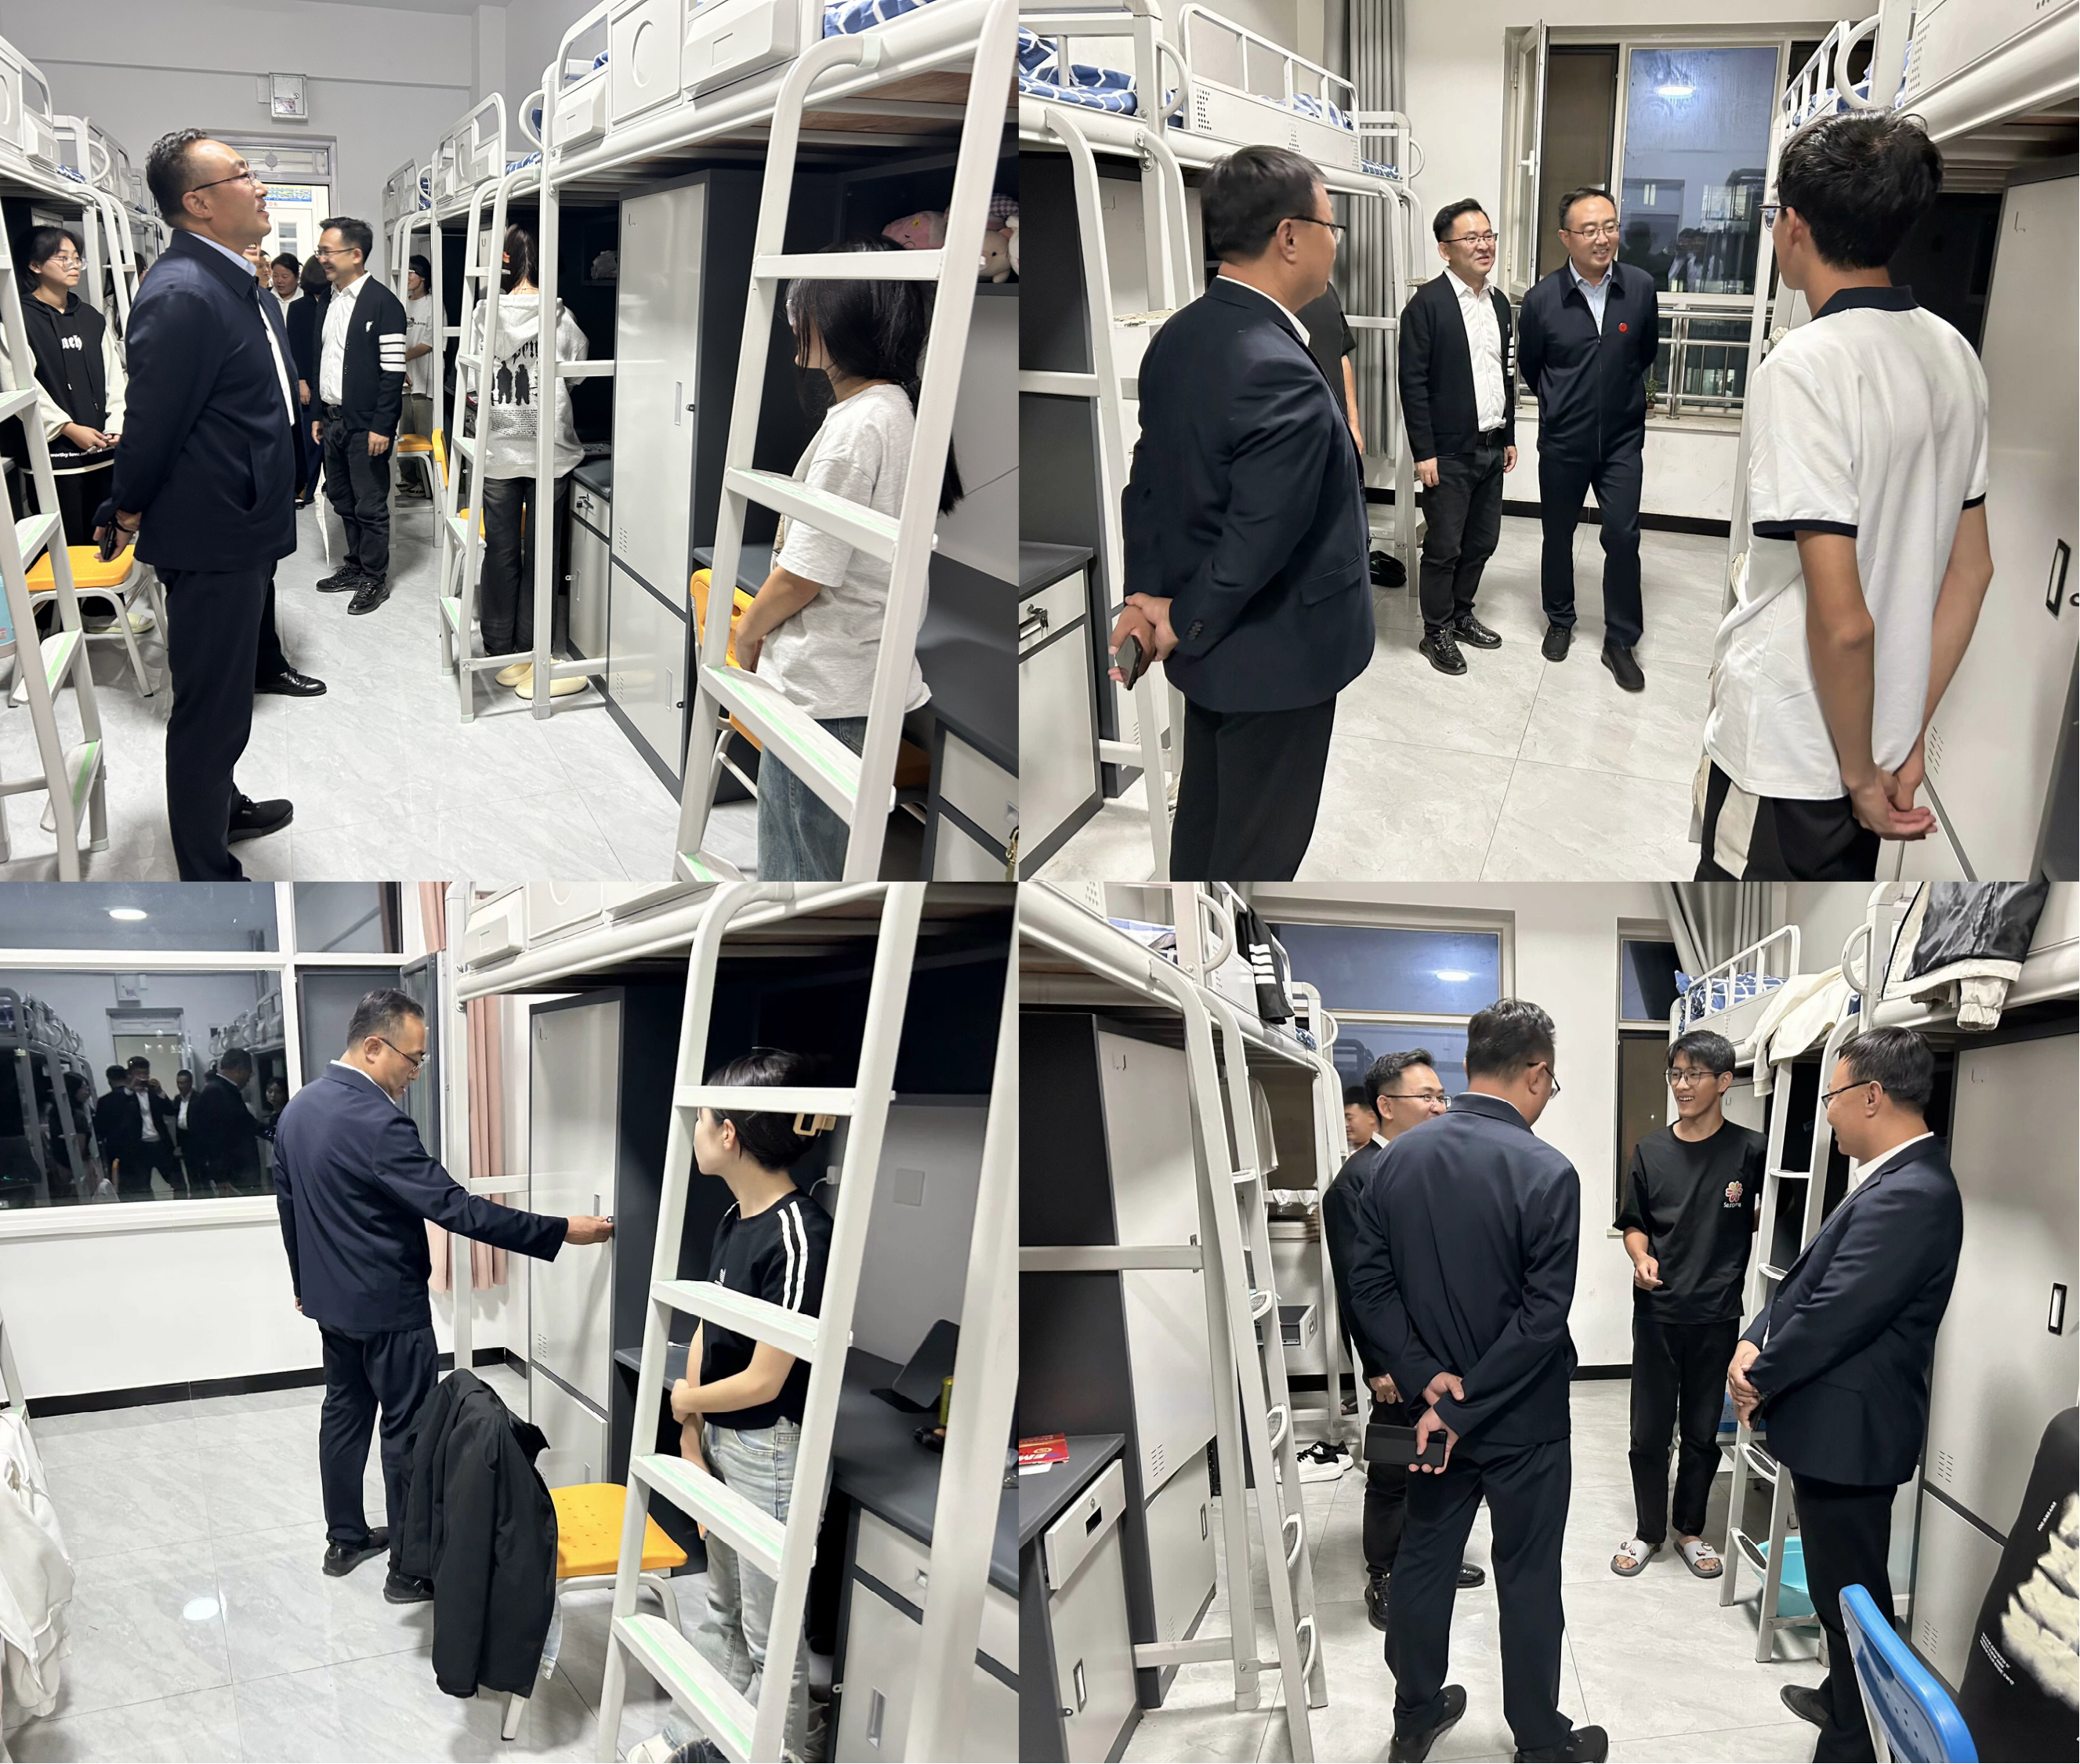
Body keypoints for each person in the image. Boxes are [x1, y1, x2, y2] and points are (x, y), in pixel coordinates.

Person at [1698, 111, 1993, 882]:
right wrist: (1901, 739)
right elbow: (1971, 573)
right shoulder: (1953, 354)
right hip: (1878, 740)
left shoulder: (1804, 365)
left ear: (1793, 225)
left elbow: (1844, 621)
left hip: (1792, 748)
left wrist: (1859, 777)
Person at [271, 988, 614, 1597]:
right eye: (413, 1058)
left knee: (343, 1415)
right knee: (408, 1431)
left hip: (334, 1305)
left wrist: (304, 1282)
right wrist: (562, 1229)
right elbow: (457, 1209)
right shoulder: (378, 1122)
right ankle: (410, 1569)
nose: (416, 1071)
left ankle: (345, 1539)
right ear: (373, 1047)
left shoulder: (298, 1110)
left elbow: (289, 1205)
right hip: (390, 1308)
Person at [1348, 1001, 1607, 1764]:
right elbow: (1541, 1316)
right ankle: (1539, 1739)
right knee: (1526, 1574)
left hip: (1433, 1418)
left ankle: (1414, 1715)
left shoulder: (1393, 1162)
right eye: (1550, 1081)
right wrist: (1465, 1402)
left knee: (1425, 1559)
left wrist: (1428, 1382)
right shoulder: (1547, 1171)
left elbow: (1369, 1288)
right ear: (1537, 1072)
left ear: (1468, 1066)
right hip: (1524, 1416)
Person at [1110, 146, 1370, 879]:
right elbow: (1261, 536)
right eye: (1329, 225)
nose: (1334, 242)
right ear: (1289, 236)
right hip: (1275, 655)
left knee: (1207, 818)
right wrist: (1178, 618)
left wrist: (1145, 599)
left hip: (1214, 650)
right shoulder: (1277, 365)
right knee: (1257, 852)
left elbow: (1147, 483)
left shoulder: (1181, 335)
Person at [1729, 1028, 1961, 1762]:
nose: (1825, 1112)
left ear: (1871, 1095)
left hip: (1853, 1436)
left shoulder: (1916, 1193)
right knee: (1839, 1586)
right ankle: (1842, 1697)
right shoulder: (1889, 1177)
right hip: (1834, 1428)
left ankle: (1855, 1740)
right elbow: (1806, 1280)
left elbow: (1835, 1313)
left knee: (1855, 1597)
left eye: (1831, 1096)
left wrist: (1758, 1375)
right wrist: (1755, 1336)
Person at [99, 129, 304, 878]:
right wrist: (125, 508)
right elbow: (154, 423)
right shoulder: (184, 292)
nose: (260, 186)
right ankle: (205, 870)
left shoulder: (229, 277)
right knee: (210, 711)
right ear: (199, 203)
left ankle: (225, 806)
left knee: (226, 697)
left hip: (240, 519)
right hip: (214, 531)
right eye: (243, 175)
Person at [737, 237, 962, 880]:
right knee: (817, 855)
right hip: (856, 675)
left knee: (797, 870)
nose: (794, 318)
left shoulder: (857, 428)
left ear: (846, 319)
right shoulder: (892, 407)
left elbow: (804, 576)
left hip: (824, 685)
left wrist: (746, 635)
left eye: (807, 305)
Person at [636, 1049, 832, 1764]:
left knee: (769, 1634)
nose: (694, 1130)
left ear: (729, 1134)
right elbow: (705, 1327)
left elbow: (765, 1380)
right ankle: (700, 1737)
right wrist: (690, 1433)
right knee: (723, 1611)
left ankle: (785, 1751)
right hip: (721, 1440)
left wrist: (687, 1400)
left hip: (768, 1451)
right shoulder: (734, 1216)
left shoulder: (799, 1234)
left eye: (701, 1118)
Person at [1321, 1049, 1481, 1634]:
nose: (1440, 1107)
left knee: (1436, 1459)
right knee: (1393, 1468)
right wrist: (1379, 1364)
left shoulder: (1431, 1168)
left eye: (1442, 1096)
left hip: (1440, 1354)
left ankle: (1428, 1558)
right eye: (1427, 1097)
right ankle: (1385, 1573)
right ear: (1386, 1106)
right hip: (1395, 1359)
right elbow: (1356, 1287)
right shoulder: (1356, 1182)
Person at [1610, 1029, 1763, 1579]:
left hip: (1717, 1312)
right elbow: (1633, 1223)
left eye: (1694, 1074)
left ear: (1724, 1081)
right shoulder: (1650, 1151)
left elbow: (1773, 1215)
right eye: (1675, 1074)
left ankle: (1690, 1530)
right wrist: (1640, 1256)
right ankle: (1648, 1530)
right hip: (1657, 1312)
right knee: (1648, 1432)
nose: (1681, 1085)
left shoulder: (1752, 1150)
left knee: (1701, 1432)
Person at [1517, 187, 1659, 692]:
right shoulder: (1542, 299)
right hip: (1564, 440)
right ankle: (1560, 618)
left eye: (1610, 227)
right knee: (1557, 534)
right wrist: (1563, 404)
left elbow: (1644, 352)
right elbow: (1532, 365)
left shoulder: (1640, 287)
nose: (1603, 239)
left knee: (1622, 536)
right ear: (1565, 237)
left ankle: (1620, 639)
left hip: (1621, 441)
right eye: (1590, 230)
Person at [1397, 199, 1517, 678]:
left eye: (1488, 236)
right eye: (1472, 238)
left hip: (1491, 443)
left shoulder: (1500, 303)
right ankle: (1436, 631)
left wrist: (1508, 432)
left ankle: (1462, 614)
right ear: (1445, 250)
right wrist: (1423, 452)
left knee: (1482, 541)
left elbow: (1504, 373)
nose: (1484, 245)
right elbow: (1412, 384)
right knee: (1444, 546)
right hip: (1446, 451)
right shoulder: (1426, 306)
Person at [470, 224, 586, 698]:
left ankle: (500, 647)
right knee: (543, 551)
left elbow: (473, 381)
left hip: (499, 448)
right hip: (548, 451)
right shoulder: (561, 317)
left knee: (500, 549)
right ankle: (532, 647)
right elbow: (576, 376)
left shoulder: (483, 313)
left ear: (504, 259)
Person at [310, 215, 408, 616]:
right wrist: (318, 413)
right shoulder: (329, 301)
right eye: (319, 251)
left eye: (327, 251)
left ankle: (374, 578)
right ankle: (355, 566)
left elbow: (393, 372)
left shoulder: (384, 304)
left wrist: (383, 425)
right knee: (342, 499)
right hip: (333, 421)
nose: (321, 259)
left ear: (355, 254)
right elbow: (323, 361)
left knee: (370, 505)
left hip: (367, 426)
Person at [17, 226, 128, 549]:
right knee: (64, 550)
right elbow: (21, 385)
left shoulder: (91, 317)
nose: (73, 265)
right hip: (54, 459)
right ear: (35, 265)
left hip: (103, 454)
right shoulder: (17, 319)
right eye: (62, 258)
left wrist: (116, 424)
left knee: (104, 547)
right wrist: (67, 428)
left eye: (77, 258)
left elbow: (115, 378)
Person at [185, 1047, 272, 1197]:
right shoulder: (218, 1093)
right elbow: (214, 1139)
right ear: (240, 1070)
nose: (249, 1079)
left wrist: (275, 1134)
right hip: (234, 1170)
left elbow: (247, 1123)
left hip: (236, 1168)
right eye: (249, 1073)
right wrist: (220, 1177)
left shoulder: (222, 1090)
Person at [1298, 279, 1364, 453]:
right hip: (1299, 433)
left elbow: (1342, 356)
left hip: (1336, 427)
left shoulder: (1326, 289)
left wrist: (1353, 425)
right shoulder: (1271, 295)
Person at [105, 1056, 183, 1201]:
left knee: (178, 1182)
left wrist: (160, 1092)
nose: (142, 1077)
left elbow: (170, 1111)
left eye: (145, 1073)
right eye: (139, 1074)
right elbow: (116, 1112)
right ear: (130, 1075)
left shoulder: (153, 1092)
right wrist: (130, 1089)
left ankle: (182, 1205)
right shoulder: (124, 1095)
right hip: (138, 1148)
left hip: (161, 1144)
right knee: (142, 1186)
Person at [286, 255, 328, 506]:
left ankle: (331, 486)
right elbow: (295, 348)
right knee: (309, 442)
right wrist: (302, 381)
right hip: (308, 384)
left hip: (330, 383)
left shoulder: (335, 304)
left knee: (330, 441)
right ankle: (304, 491)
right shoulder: (299, 308)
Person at [400, 253, 437, 456]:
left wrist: (400, 359)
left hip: (424, 382)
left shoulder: (433, 304)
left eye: (410, 272)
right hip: (402, 381)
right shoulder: (401, 302)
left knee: (424, 440)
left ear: (422, 276)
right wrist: (399, 368)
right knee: (404, 438)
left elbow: (428, 344)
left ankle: (426, 477)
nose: (406, 277)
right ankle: (408, 474)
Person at [1343, 1081, 1379, 1151]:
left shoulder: (1386, 1151)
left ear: (1371, 1117)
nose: (1345, 1124)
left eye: (1350, 1118)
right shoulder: (1341, 1151)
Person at [267, 252, 299, 324]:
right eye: (275, 276)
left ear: (297, 276)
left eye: (285, 277)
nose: (279, 281)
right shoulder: (263, 296)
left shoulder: (308, 299)